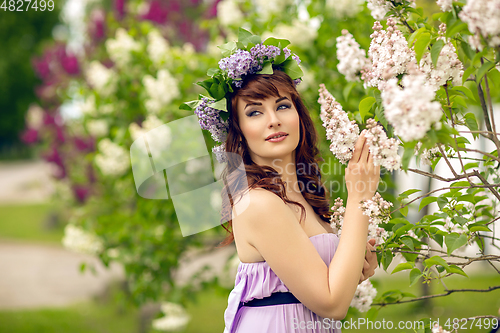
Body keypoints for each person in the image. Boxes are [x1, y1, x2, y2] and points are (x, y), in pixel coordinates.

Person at [181, 30, 380, 332]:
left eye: (282, 106)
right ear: (239, 131)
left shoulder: (304, 195)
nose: (273, 119)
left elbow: (327, 284)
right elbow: (332, 303)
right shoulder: (258, 203)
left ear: (298, 115)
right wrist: (359, 196)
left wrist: (354, 263)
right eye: (254, 112)